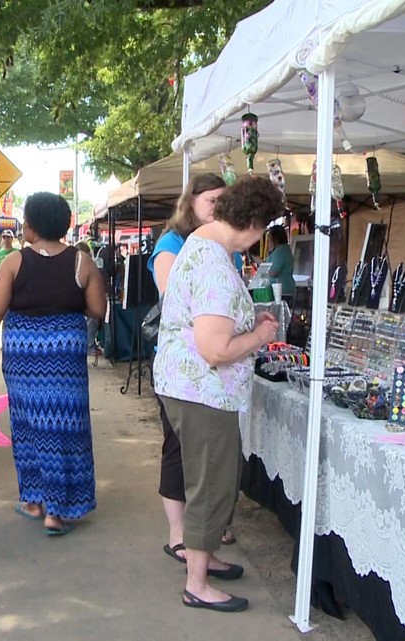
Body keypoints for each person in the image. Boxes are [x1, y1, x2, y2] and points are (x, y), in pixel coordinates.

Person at [154, 176, 283, 613]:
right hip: (203, 390)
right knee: (212, 485)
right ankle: (197, 582)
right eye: (263, 229)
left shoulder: (199, 243)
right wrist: (261, 335)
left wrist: (247, 325)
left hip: (186, 385)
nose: (261, 238)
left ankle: (202, 559)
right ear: (251, 223)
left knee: (205, 480)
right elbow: (215, 349)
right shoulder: (214, 263)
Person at [0, 192, 107, 535]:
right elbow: (98, 310)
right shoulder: (82, 262)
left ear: (31, 225)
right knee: (65, 426)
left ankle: (34, 500)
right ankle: (59, 510)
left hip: (24, 358)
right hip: (65, 356)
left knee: (29, 424)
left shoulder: (14, 262)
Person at [146, 173, 240, 557]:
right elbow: (175, 297)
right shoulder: (173, 242)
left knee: (210, 459)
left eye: (223, 199)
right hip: (182, 369)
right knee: (178, 450)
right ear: (191, 202)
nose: (216, 206)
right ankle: (178, 533)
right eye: (210, 199)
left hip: (215, 374)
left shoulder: (227, 245)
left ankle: (207, 530)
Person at [264, 226, 296, 300]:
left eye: (270, 237)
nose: (268, 240)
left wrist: (264, 272)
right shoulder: (285, 249)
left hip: (281, 290)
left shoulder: (280, 251)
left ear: (275, 238)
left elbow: (273, 272)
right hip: (285, 288)